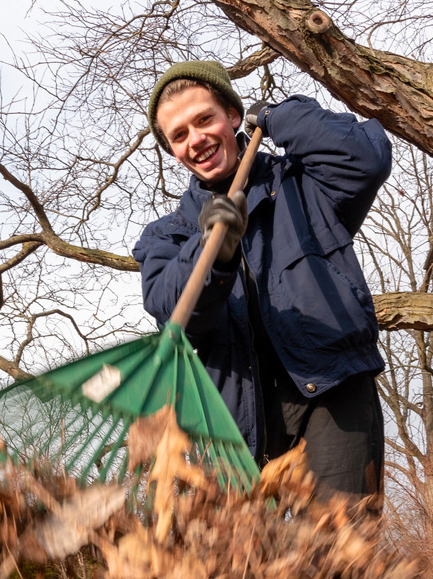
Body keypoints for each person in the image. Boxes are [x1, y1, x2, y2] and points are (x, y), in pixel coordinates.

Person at [133, 60, 392, 507]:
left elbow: (366, 159)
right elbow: (173, 312)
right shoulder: (168, 236)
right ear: (173, 151)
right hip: (231, 425)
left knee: (337, 559)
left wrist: (278, 117)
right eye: (179, 135)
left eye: (204, 119)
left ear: (233, 117)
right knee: (241, 572)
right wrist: (213, 251)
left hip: (332, 392)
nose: (196, 139)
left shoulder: (305, 184)